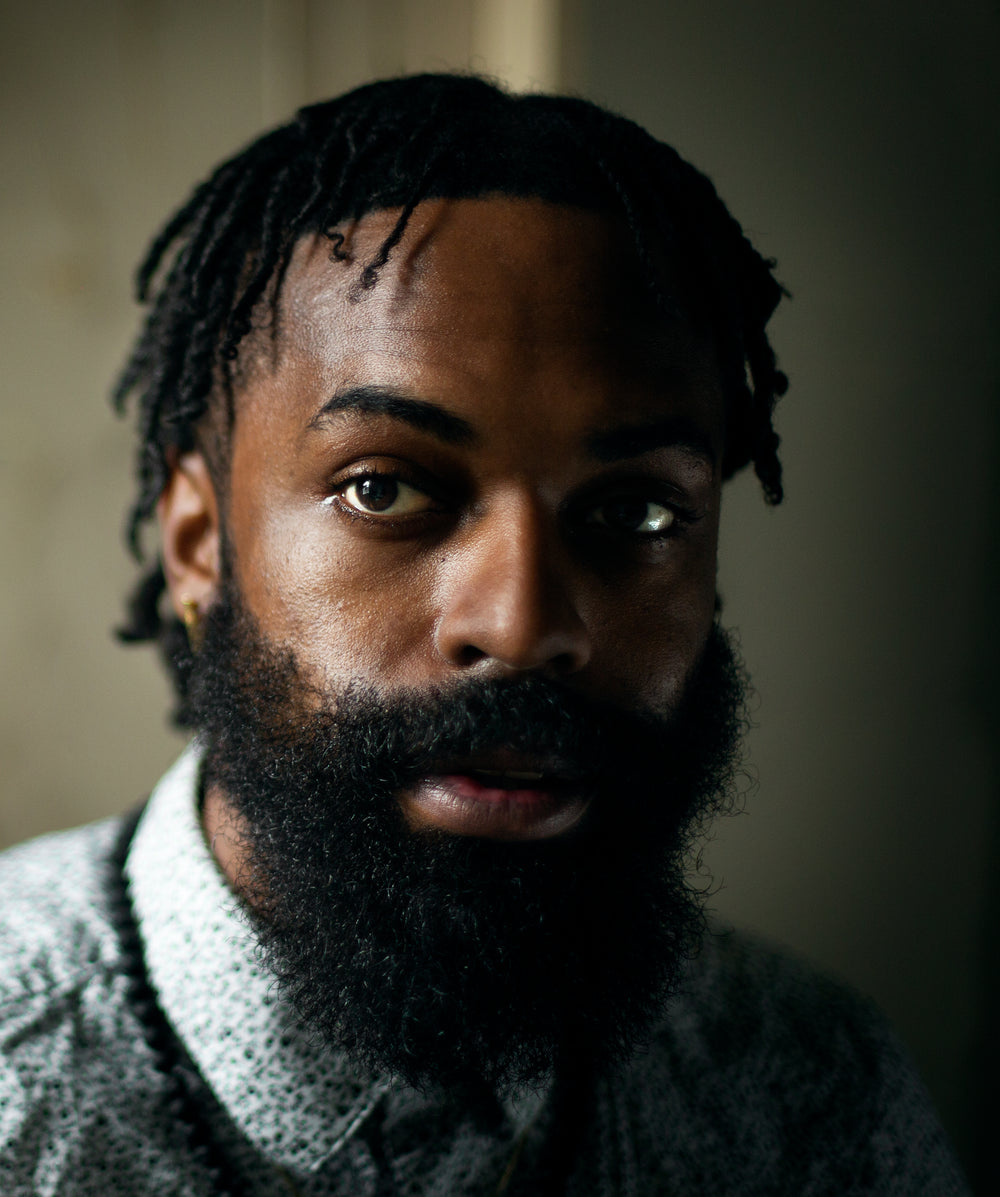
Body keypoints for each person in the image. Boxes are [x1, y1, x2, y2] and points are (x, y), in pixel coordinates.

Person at [0, 73, 969, 1196]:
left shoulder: (811, 1090)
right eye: (385, 489)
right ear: (198, 545)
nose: (522, 626)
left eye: (637, 513)